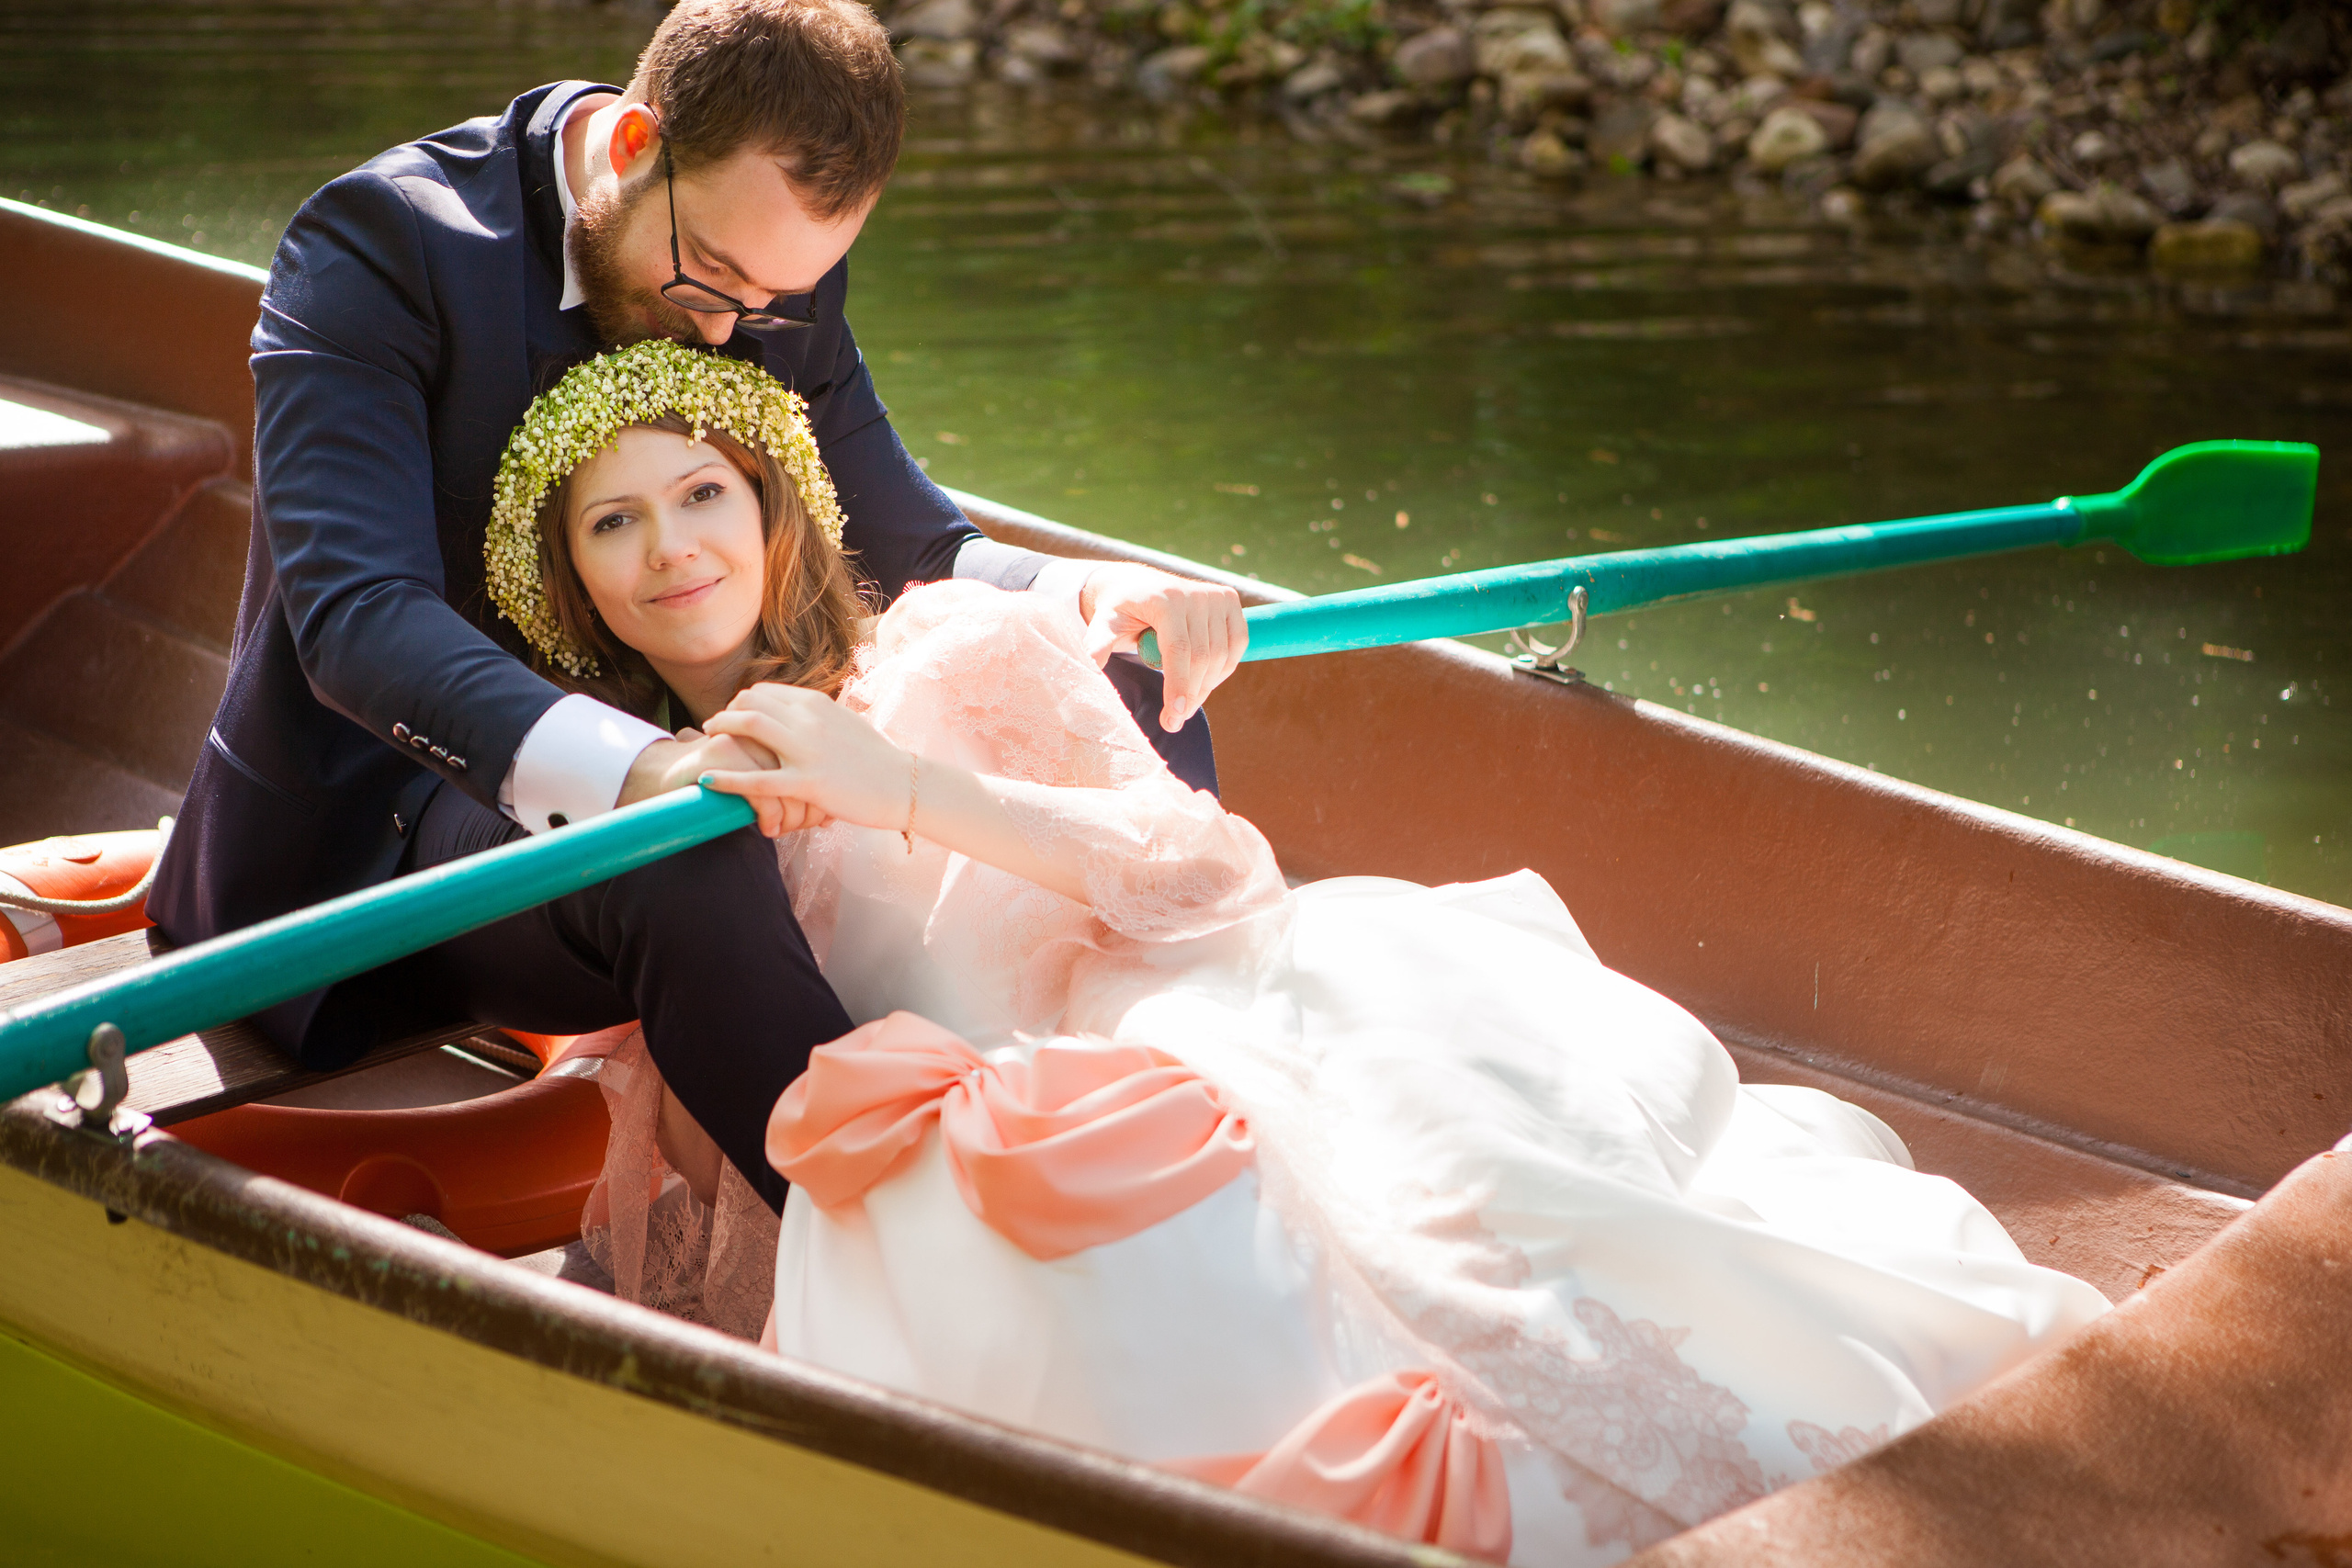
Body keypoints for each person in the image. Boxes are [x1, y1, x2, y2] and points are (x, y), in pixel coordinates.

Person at [504, 342, 2112, 1566]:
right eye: (616, 522)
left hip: (1200, 1001)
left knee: (1462, 1249)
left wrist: (903, 789)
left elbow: (1202, 869)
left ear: (776, 509)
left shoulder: (961, 641)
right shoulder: (663, 833)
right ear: (574, 581)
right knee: (1090, 1280)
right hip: (1012, 1126)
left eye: (703, 493)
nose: (671, 549)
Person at [147, 0, 1247, 1213]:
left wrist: (1086, 590)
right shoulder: (379, 247)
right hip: (382, 852)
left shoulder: (756, 255)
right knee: (691, 846)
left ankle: (1172, 1097)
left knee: (1113, 661)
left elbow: (906, 530)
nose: (731, 329)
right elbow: (356, 618)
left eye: (774, 300)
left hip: (703, 754)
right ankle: (896, 1247)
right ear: (630, 148)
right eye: (712, 279)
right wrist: (640, 769)